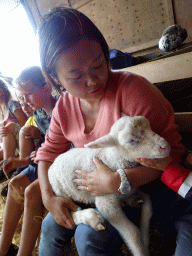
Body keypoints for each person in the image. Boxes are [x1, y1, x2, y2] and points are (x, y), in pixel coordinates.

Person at [35, 7, 192, 256]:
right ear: (55, 78)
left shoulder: (133, 92)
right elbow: (46, 154)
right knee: (50, 228)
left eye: (99, 63)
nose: (93, 80)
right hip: (92, 190)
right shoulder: (64, 107)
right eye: (76, 76)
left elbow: (172, 153)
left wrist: (119, 181)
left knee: (89, 237)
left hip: (145, 187)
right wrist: (48, 198)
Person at [0, 66, 58, 256]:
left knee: (32, 191)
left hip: (57, 166)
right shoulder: (39, 114)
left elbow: (71, 145)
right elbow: (45, 142)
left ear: (45, 87)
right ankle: (3, 247)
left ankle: (22, 253)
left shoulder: (61, 109)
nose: (24, 101)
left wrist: (41, 152)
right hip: (43, 163)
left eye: (28, 95)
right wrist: (22, 160)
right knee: (15, 183)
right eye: (22, 96)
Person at [0, 78, 27, 178]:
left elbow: (25, 124)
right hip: (12, 144)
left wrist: (7, 128)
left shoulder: (12, 104)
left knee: (8, 127)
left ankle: (8, 168)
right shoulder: (2, 110)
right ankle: (5, 169)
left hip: (24, 139)